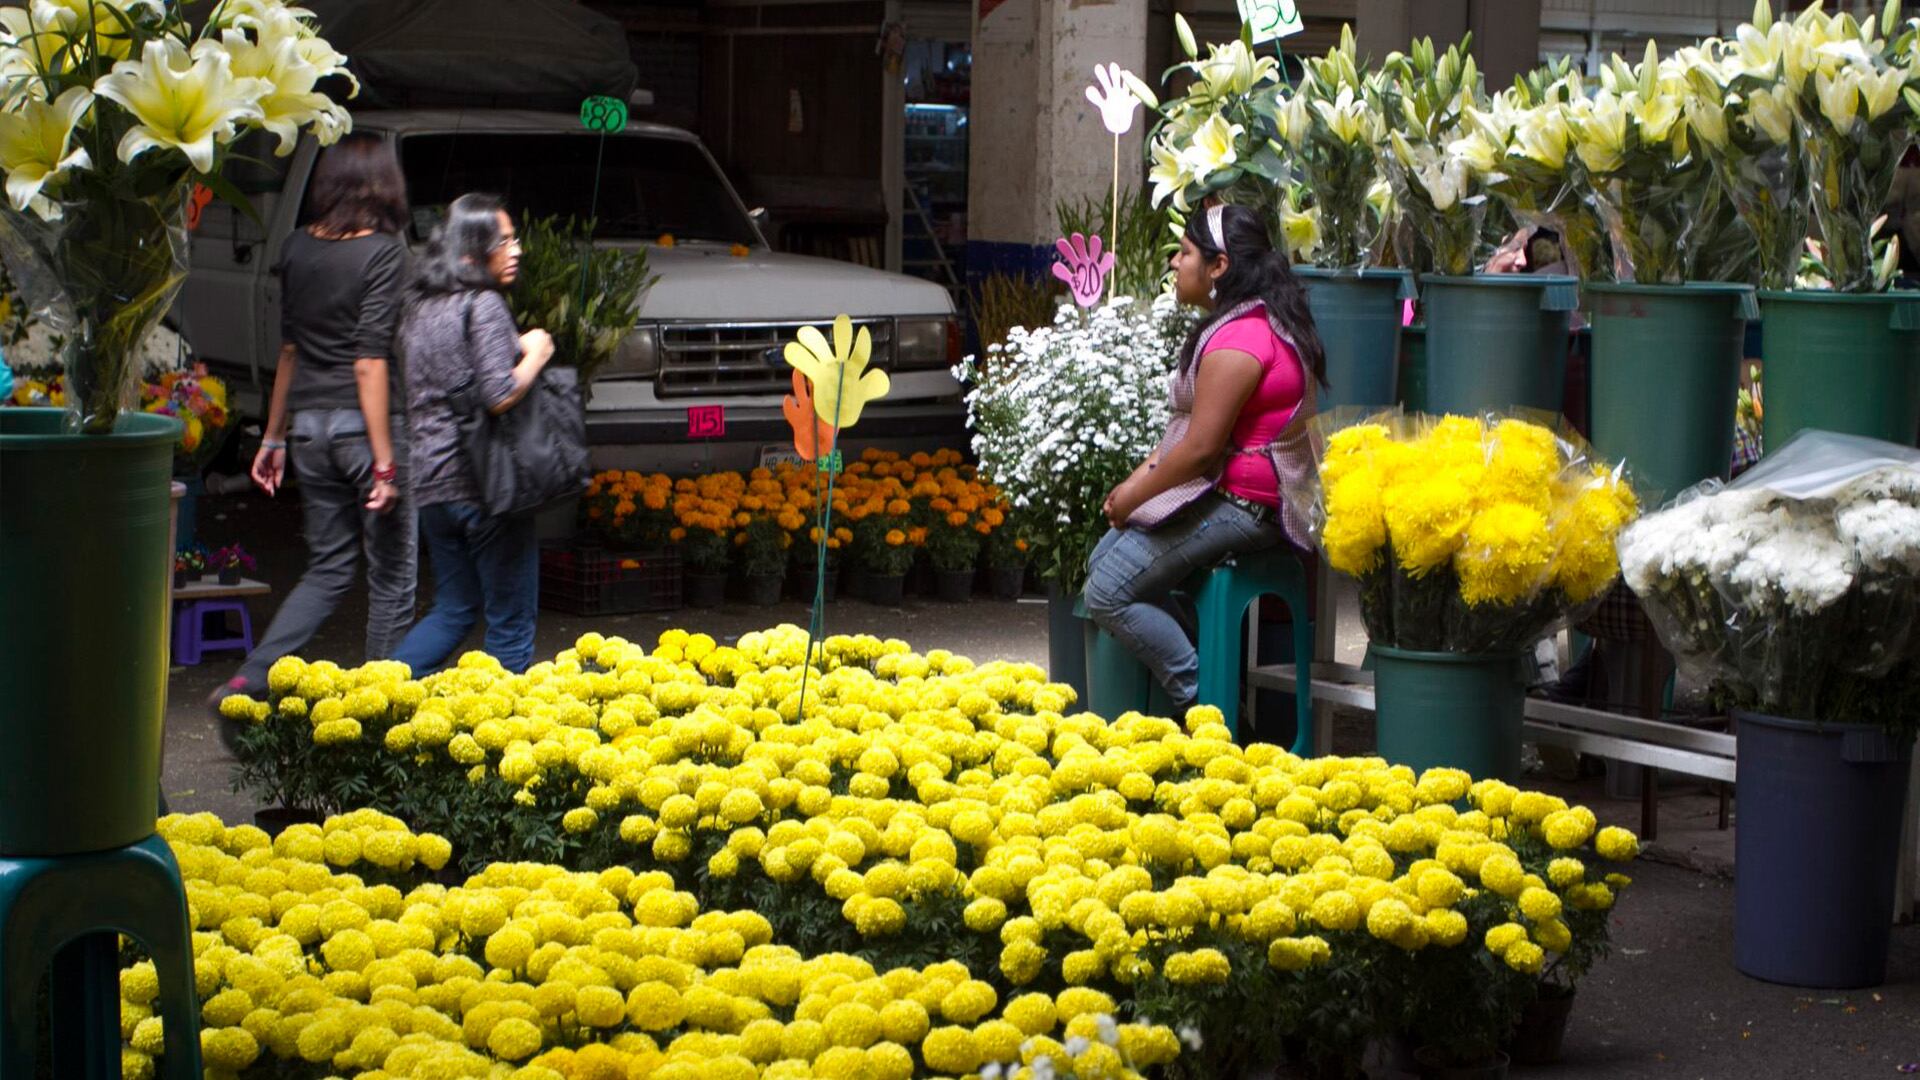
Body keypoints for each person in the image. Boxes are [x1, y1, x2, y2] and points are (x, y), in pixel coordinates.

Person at [1084, 202, 1326, 713]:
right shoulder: (1253, 321)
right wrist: (1127, 493)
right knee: (1103, 557)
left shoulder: (1240, 340)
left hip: (1251, 506)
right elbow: (1186, 440)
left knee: (1107, 591)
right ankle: (1167, 704)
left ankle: (1209, 712)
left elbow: (1199, 450)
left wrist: (1132, 496)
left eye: (1186, 252)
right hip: (1234, 494)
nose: (1175, 262)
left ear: (1219, 267)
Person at [210, 132, 415, 713]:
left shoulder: (298, 246)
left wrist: (272, 436)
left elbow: (292, 352)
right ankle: (379, 714)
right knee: (393, 578)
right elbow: (370, 360)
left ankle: (251, 678)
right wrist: (384, 462)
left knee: (329, 568)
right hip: (364, 431)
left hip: (309, 431)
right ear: (384, 182)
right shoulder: (384, 252)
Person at [388, 194, 554, 675]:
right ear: (472, 249)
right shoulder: (482, 304)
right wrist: (538, 352)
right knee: (511, 621)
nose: (517, 249)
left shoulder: (421, 307)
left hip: (434, 486)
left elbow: (452, 374)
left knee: (454, 608)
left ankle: (379, 701)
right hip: (486, 485)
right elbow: (498, 392)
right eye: (505, 240)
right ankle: (496, 737)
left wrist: (514, 347)